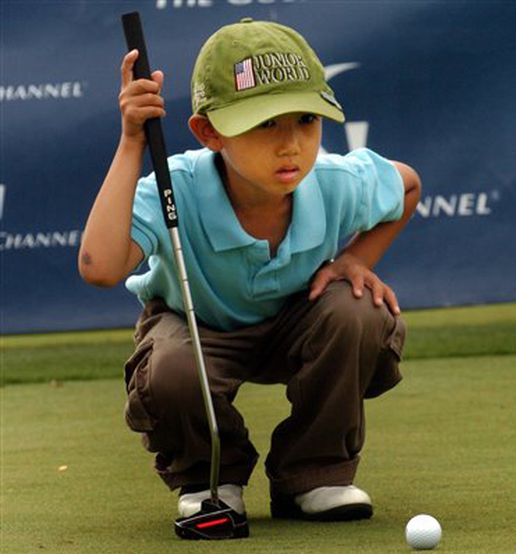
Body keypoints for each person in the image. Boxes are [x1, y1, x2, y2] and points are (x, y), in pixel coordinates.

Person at [78, 18, 421, 526]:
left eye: (306, 119)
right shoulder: (177, 187)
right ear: (209, 132)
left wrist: (355, 261)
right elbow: (99, 267)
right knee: (170, 368)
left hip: (296, 320)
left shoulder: (332, 181)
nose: (291, 145)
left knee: (356, 309)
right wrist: (132, 141)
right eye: (264, 124)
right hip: (197, 327)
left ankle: (316, 474)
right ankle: (211, 477)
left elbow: (407, 186)